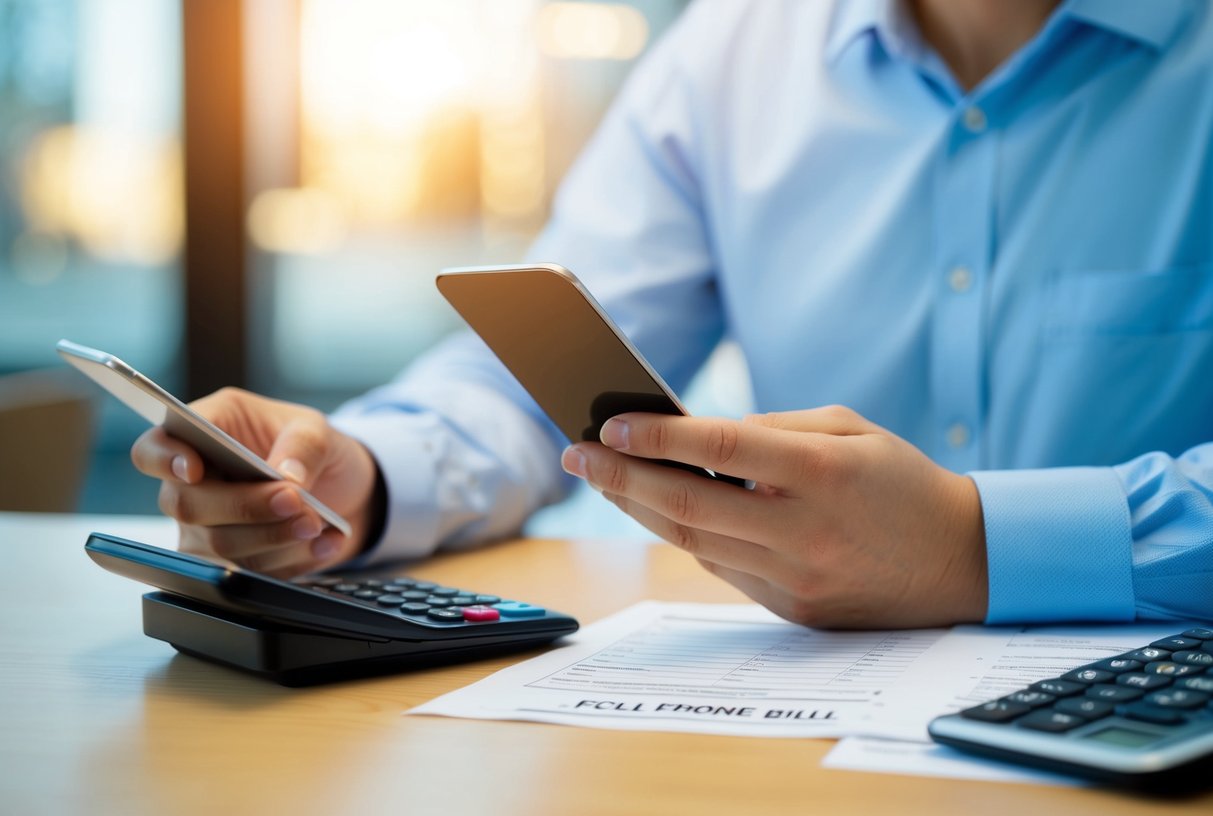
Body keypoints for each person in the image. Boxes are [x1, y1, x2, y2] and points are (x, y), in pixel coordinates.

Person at [133, 0, 1213, 629]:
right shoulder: (732, 53)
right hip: (815, 735)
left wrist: (972, 548)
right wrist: (355, 478)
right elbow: (540, 379)